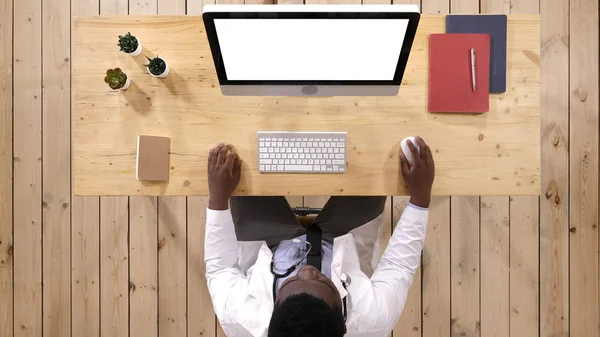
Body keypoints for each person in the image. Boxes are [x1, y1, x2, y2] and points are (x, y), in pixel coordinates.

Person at [204, 137, 435, 337]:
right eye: (322, 280)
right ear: (343, 315)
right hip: (342, 242)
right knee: (375, 164)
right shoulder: (372, 317)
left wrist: (217, 199)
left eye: (292, 281)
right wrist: (421, 197)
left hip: (271, 245)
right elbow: (399, 265)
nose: (307, 270)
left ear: (272, 309)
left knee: (241, 163)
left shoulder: (240, 317)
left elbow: (220, 268)